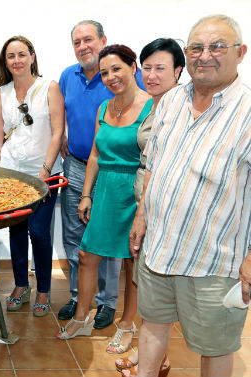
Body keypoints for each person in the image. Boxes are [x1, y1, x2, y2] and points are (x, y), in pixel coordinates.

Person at [131, 14, 249, 377]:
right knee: (151, 326)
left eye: (218, 47)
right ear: (186, 53)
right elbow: (154, 163)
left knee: (214, 348)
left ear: (241, 53)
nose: (205, 55)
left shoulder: (247, 112)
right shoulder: (169, 101)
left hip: (214, 262)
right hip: (158, 250)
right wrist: (142, 217)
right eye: (197, 47)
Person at [56, 44, 152, 339]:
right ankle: (82, 317)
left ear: (133, 68)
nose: (111, 77)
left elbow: (154, 161)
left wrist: (145, 207)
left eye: (116, 69)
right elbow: (96, 154)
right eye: (105, 72)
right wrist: (86, 195)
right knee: (87, 255)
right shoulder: (104, 107)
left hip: (135, 191)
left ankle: (126, 324)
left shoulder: (153, 107)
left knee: (131, 262)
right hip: (105, 189)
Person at [113, 38, 184, 377]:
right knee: (148, 282)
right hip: (145, 200)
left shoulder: (180, 108)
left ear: (178, 71)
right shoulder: (157, 105)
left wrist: (144, 211)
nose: (152, 75)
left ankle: (158, 360)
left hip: (162, 208)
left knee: (159, 288)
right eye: (148, 68)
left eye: (161, 68)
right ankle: (150, 358)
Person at [0, 35, 64, 316]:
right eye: (11, 56)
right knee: (17, 230)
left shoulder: (50, 87)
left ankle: (43, 289)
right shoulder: (1, 93)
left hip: (44, 175)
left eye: (22, 54)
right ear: (5, 62)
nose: (17, 60)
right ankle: (21, 285)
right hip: (12, 175)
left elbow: (58, 132)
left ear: (32, 57)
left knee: (39, 232)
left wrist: (45, 170)